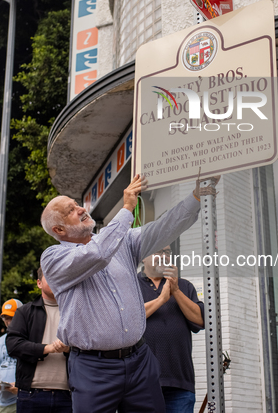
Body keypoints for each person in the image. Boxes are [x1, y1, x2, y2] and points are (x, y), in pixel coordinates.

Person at [40, 174, 218, 413]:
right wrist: (126, 210)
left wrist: (196, 196)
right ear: (59, 229)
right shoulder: (53, 258)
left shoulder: (119, 240)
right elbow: (98, 254)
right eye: (71, 210)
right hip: (94, 368)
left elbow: (163, 229)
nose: (81, 208)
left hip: (139, 361)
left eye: (78, 203)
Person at [139, 246, 204, 413]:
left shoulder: (185, 286)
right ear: (143, 257)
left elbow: (201, 320)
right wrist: (161, 299)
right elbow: (126, 319)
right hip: (140, 384)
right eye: (157, 251)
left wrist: (175, 290)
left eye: (166, 252)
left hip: (180, 384)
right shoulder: (131, 285)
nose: (163, 256)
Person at [6, 267, 71, 413]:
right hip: (31, 394)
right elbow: (13, 345)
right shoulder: (25, 312)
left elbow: (89, 347)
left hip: (69, 395)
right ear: (39, 283)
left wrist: (68, 349)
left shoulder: (73, 312)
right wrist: (46, 348)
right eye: (50, 277)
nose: (55, 280)